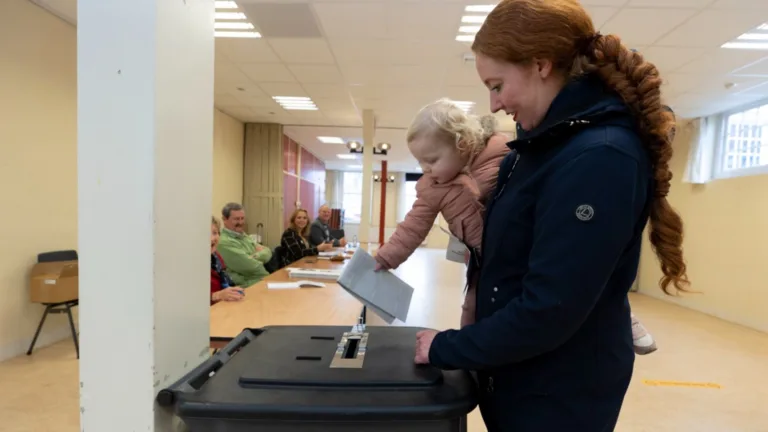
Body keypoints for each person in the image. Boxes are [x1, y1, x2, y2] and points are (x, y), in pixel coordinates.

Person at [412, 1, 690, 430]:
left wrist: (448, 347)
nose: (495, 103)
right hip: (522, 377)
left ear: (541, 64)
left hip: (559, 394)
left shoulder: (598, 157)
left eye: (498, 84)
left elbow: (549, 309)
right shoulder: (538, 148)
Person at [374, 98, 509, 327]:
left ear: (463, 145)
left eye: (432, 160)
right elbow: (414, 225)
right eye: (420, 162)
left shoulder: (499, 157)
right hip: (479, 261)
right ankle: (471, 356)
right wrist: (386, 257)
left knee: (507, 309)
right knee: (472, 308)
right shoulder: (432, 186)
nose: (424, 169)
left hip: (513, 254)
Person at [216, 202, 273, 287]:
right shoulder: (224, 242)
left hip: (260, 282)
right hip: (246, 287)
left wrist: (253, 256)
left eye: (242, 218)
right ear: (224, 219)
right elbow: (253, 267)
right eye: (236, 219)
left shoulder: (243, 235)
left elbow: (268, 251)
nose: (241, 222)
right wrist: (259, 256)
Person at [210, 216, 244, 304]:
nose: (212, 238)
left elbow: (227, 282)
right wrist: (215, 296)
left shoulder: (216, 256)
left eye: (215, 233)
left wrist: (234, 291)